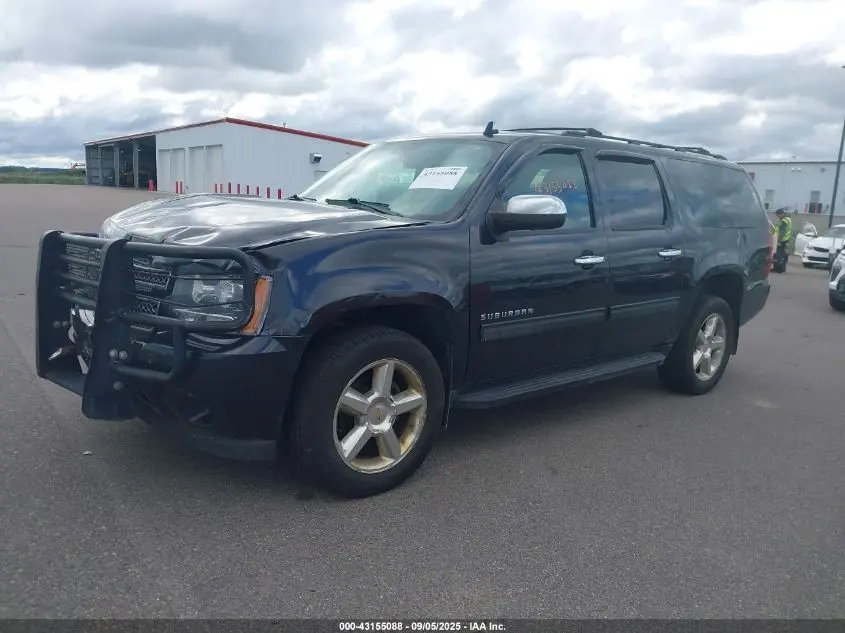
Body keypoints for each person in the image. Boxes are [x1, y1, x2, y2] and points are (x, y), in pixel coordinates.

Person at [771, 208, 793, 273]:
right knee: (783, 254)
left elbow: (782, 231)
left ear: (781, 214)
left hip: (782, 240)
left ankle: (778, 269)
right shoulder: (787, 219)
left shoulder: (784, 221)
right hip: (785, 239)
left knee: (778, 255)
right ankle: (782, 268)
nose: (777, 217)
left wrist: (779, 240)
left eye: (777, 215)